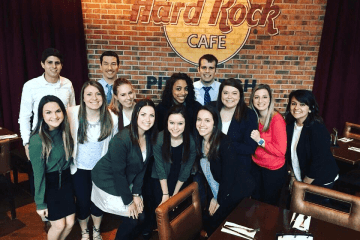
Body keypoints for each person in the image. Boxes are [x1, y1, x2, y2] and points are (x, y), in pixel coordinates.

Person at [91, 99, 158, 240]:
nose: (147, 119)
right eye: (143, 114)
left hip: (125, 179)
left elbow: (142, 168)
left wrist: (136, 193)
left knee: (141, 215)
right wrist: (129, 201)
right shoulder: (121, 139)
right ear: (136, 116)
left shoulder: (149, 137)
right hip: (107, 179)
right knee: (133, 218)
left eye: (151, 115)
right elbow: (118, 174)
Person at [67, 81, 118, 240]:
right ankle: (84, 231)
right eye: (89, 94)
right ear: (82, 97)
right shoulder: (72, 113)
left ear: (103, 97)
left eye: (98, 94)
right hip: (79, 168)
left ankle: (96, 230)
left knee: (98, 202)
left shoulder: (112, 118)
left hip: (100, 170)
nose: (94, 98)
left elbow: (114, 147)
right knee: (82, 202)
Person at [194, 105, 255, 236]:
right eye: (199, 119)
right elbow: (208, 176)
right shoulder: (199, 140)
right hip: (218, 189)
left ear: (215, 123)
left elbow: (229, 178)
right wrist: (212, 197)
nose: (202, 124)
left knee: (217, 225)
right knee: (209, 222)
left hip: (236, 190)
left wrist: (218, 200)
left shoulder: (224, 142)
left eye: (207, 120)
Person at [29, 95, 75, 240]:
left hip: (66, 183)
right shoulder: (37, 140)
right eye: (48, 112)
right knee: (59, 225)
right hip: (50, 186)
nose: (54, 116)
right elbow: (38, 175)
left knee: (70, 223)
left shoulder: (65, 132)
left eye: (58, 111)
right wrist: (40, 203)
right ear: (42, 115)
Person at [19, 48, 76, 160]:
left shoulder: (68, 84)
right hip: (40, 138)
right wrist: (26, 143)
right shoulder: (30, 86)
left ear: (61, 65)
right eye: (49, 62)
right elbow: (24, 117)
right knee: (41, 173)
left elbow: (72, 113)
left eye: (57, 63)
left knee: (62, 173)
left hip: (62, 138)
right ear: (42, 64)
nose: (54, 66)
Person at [285, 90, 339, 190]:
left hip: (321, 180)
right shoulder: (289, 127)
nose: (296, 108)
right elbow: (291, 155)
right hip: (300, 178)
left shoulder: (317, 129)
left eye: (302, 104)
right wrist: (293, 177)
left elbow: (319, 163)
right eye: (293, 104)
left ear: (310, 109)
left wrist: (302, 186)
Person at [249, 84, 287, 206]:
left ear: (270, 99)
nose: (260, 101)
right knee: (255, 203)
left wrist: (260, 141)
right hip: (256, 166)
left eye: (264, 97)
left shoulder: (276, 119)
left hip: (273, 170)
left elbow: (281, 151)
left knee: (268, 207)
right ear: (252, 99)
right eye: (257, 97)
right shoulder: (253, 117)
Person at [216, 78, 258, 172]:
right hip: (213, 165)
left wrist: (221, 146)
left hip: (238, 168)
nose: (229, 97)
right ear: (220, 94)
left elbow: (250, 148)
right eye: (226, 93)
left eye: (234, 93)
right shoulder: (213, 110)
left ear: (240, 96)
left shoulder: (249, 115)